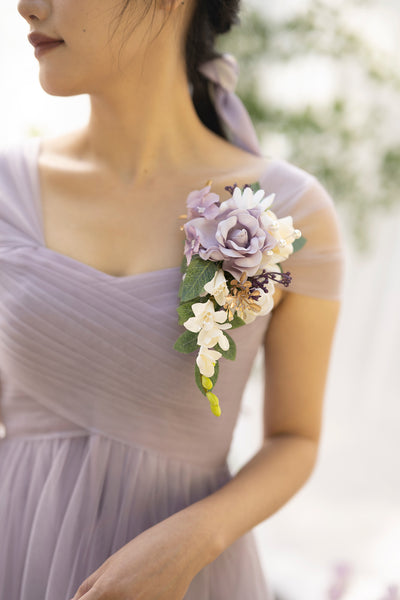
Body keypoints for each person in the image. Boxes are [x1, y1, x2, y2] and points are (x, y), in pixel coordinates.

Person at [0, 0, 345, 598]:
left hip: (194, 578)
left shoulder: (290, 213)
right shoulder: (6, 194)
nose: (27, 7)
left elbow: (296, 438)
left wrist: (194, 539)